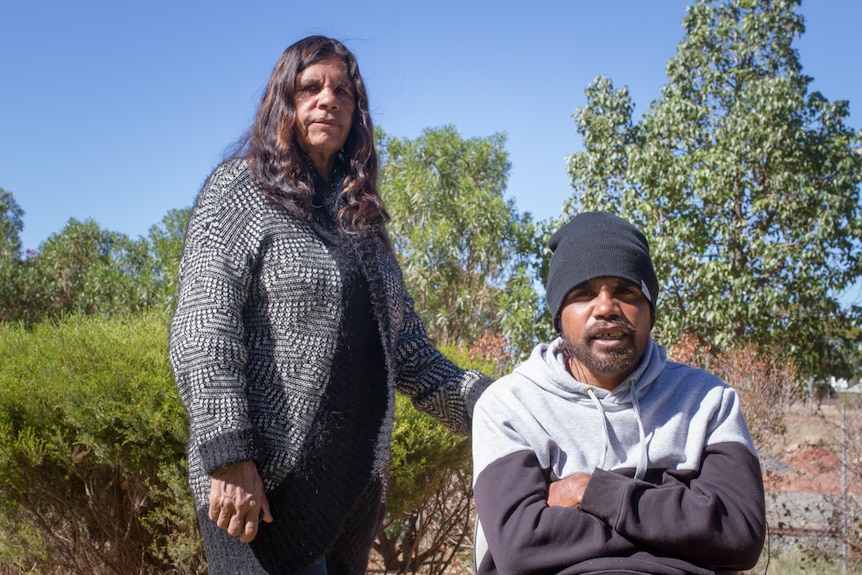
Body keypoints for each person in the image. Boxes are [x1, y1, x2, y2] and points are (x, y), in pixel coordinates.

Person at [168, 35, 491, 575]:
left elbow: (412, 358)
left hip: (350, 504)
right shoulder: (239, 192)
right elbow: (204, 325)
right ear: (284, 102)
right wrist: (229, 453)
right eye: (311, 87)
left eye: (343, 91)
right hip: (258, 495)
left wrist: (510, 407)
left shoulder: (366, 228)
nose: (328, 100)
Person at [471, 212, 766, 575]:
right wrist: (680, 525)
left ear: (649, 309)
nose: (606, 308)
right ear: (559, 314)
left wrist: (594, 492)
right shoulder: (511, 405)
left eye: (625, 290)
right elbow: (520, 547)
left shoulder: (708, 401)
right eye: (583, 293)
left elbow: (740, 535)